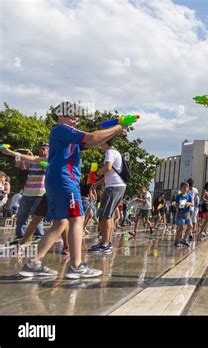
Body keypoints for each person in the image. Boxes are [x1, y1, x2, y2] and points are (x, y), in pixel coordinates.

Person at [19, 101, 126, 278]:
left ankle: (33, 263)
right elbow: (91, 137)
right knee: (78, 218)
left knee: (60, 223)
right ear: (61, 115)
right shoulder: (61, 129)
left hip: (56, 180)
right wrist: (116, 128)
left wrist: (115, 131)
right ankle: (76, 266)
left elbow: (91, 143)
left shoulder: (66, 133)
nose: (76, 119)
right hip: (64, 179)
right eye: (72, 116)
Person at [2, 142, 48, 241]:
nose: (41, 150)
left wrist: (32, 157)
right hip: (27, 192)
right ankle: (20, 235)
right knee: (21, 215)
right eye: (40, 148)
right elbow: (18, 165)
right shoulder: (32, 160)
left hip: (40, 193)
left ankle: (39, 236)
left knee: (36, 215)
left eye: (44, 149)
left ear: (48, 151)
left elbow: (45, 167)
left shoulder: (48, 160)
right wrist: (17, 155)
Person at [88, 138, 127, 253]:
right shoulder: (116, 152)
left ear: (104, 142)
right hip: (117, 185)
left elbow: (108, 168)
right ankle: (107, 242)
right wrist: (96, 184)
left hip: (113, 187)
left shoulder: (109, 152)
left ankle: (105, 244)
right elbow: (110, 174)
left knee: (105, 215)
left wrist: (96, 173)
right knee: (108, 215)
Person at [174, 182, 193, 247]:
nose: (185, 189)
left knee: (190, 226)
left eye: (187, 187)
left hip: (187, 213)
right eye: (184, 187)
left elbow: (192, 203)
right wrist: (180, 205)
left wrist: (188, 204)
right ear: (181, 188)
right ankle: (176, 241)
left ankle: (184, 240)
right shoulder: (178, 196)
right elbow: (176, 205)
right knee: (181, 228)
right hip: (180, 213)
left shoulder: (189, 196)